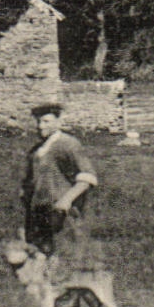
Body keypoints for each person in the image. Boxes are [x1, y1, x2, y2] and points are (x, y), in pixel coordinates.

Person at [20, 103, 99, 261]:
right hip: (39, 210)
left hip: (61, 212)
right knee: (39, 256)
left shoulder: (68, 144)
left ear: (58, 121)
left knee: (64, 255)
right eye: (38, 122)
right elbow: (30, 180)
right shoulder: (36, 150)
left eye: (46, 121)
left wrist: (66, 201)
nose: (40, 126)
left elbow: (87, 177)